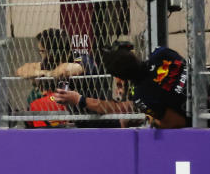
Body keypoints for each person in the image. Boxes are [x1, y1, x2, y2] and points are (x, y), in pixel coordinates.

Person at [53, 42, 188, 128]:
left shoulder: (142, 96)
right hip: (205, 98)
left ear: (121, 78)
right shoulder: (161, 53)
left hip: (198, 115)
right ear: (132, 53)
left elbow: (177, 122)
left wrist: (155, 122)